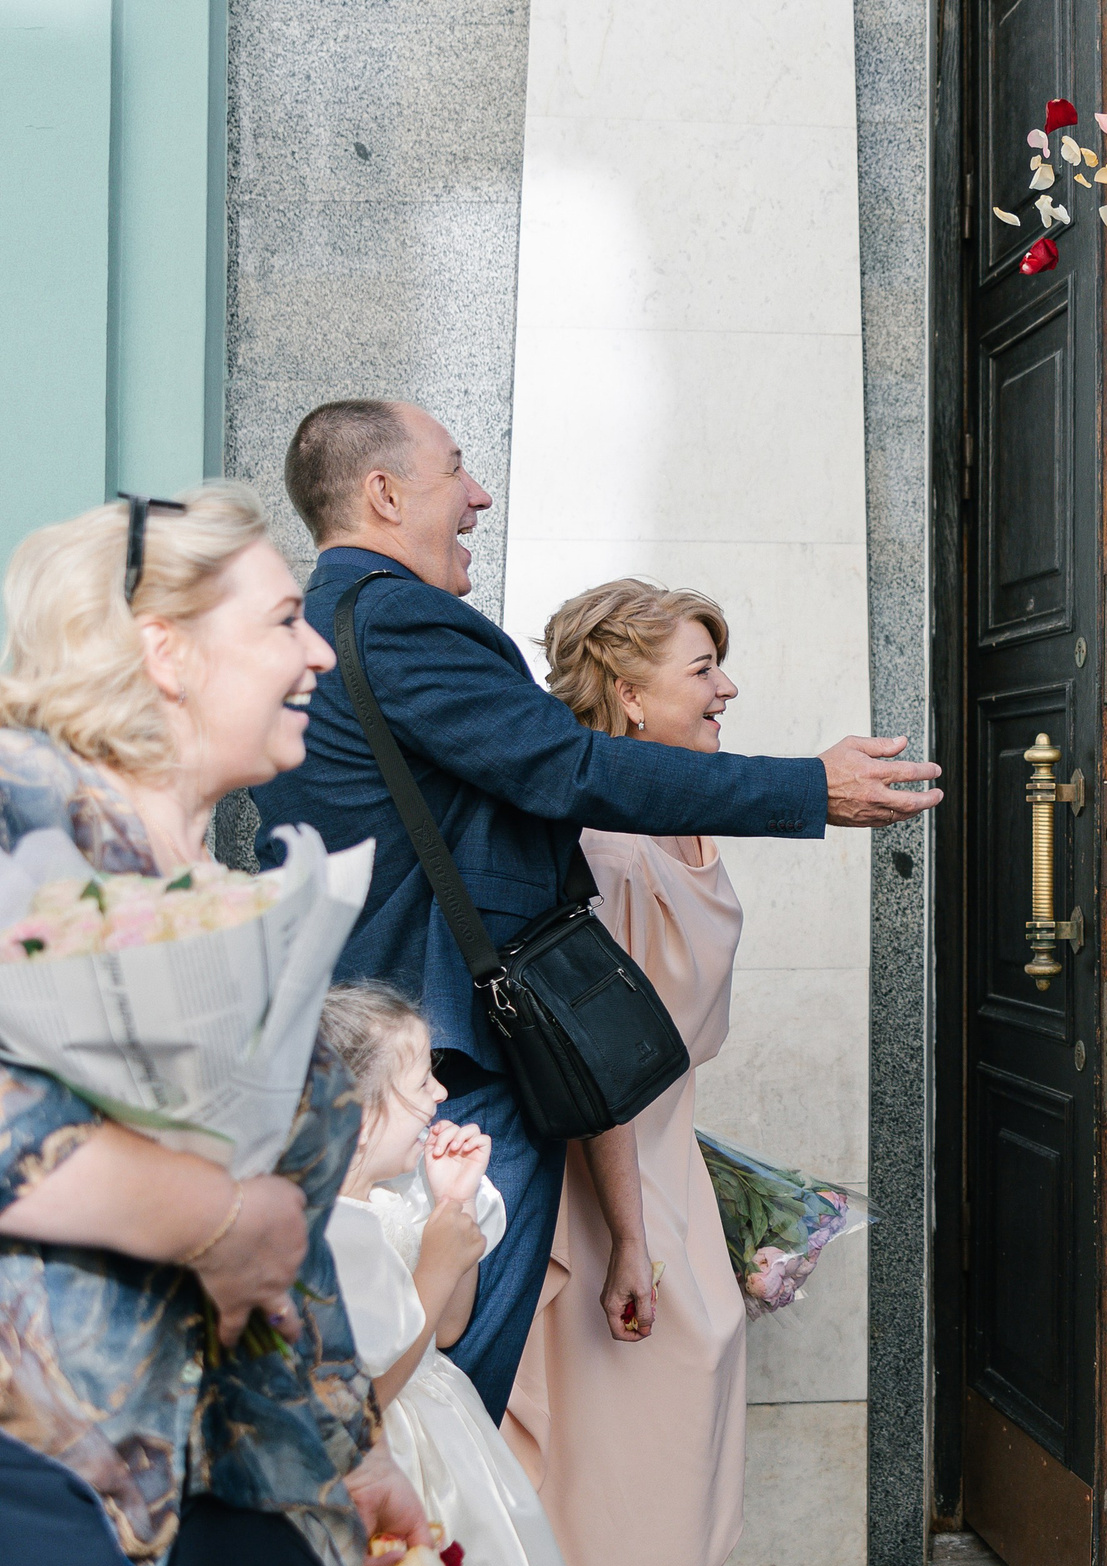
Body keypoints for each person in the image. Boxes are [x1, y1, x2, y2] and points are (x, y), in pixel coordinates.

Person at [248, 399, 942, 1421]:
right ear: (384, 494)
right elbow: (567, 768)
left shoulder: (325, 624)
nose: (480, 494)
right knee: (439, 1396)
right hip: (458, 1065)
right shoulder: (397, 616)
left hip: (374, 1052)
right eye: (456, 471)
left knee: (406, 1377)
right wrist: (807, 790)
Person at [0, 486, 430, 1566]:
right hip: (32, 1469)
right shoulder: (17, 807)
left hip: (205, 1470)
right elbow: (246, 1220)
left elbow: (287, 1241)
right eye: (288, 621)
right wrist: (205, 1213)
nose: (315, 653)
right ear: (164, 652)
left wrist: (355, 1453)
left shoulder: (227, 889)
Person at [503, 581, 756, 1566]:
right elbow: (601, 1062)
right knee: (619, 1406)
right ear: (625, 690)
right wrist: (626, 1235)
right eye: (701, 668)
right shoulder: (601, 849)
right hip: (609, 1162)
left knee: (664, 1389)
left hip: (666, 1143)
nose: (725, 688)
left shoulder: (676, 816)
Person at [319, 982, 604, 1566]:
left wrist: (450, 1212)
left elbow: (444, 1329)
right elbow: (364, 1395)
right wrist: (437, 1261)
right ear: (356, 1110)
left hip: (447, 1458)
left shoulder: (382, 1207)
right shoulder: (325, 1235)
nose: (442, 1092)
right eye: (421, 1081)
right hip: (390, 1467)